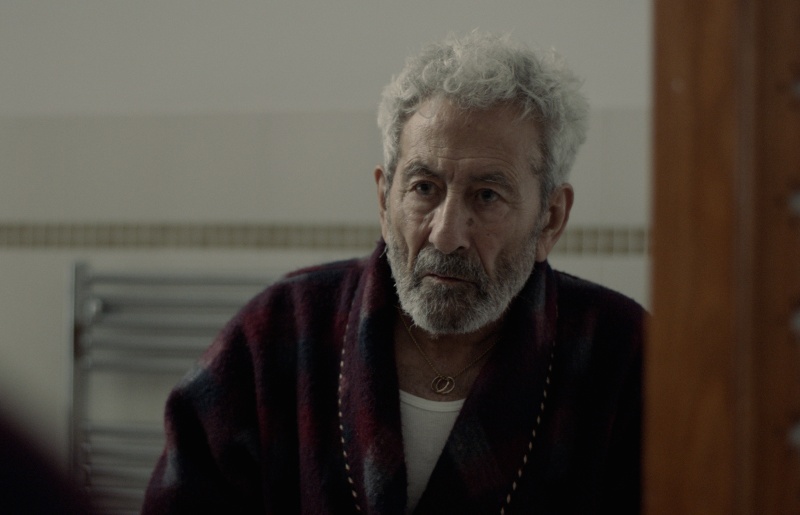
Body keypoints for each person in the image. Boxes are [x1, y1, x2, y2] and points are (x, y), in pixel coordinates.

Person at [142, 31, 644, 514]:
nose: (446, 235)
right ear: (385, 199)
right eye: (424, 188)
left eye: (487, 196)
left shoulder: (624, 357)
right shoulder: (277, 332)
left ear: (550, 219)